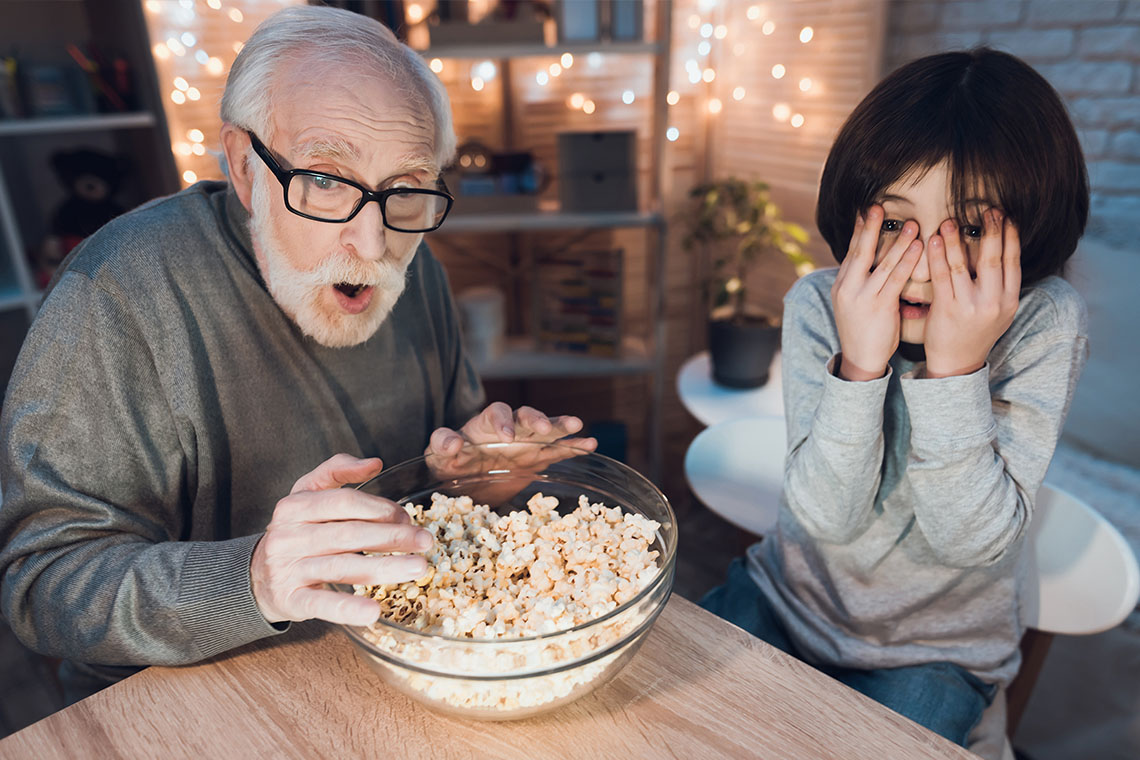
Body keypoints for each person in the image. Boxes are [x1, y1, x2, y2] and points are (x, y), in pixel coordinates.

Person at [0, 6, 594, 704]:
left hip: (395, 666)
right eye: (326, 180)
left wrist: (474, 474)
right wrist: (255, 577)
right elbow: (42, 585)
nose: (372, 245)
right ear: (248, 168)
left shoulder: (417, 264)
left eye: (405, 188)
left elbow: (446, 478)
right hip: (180, 703)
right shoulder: (116, 293)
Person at [701, 47, 1089, 748]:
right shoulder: (820, 303)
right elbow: (825, 518)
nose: (921, 264)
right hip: (787, 600)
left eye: (969, 228)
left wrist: (956, 369)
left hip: (938, 653)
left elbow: (971, 544)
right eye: (892, 222)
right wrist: (860, 362)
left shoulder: (1044, 323)